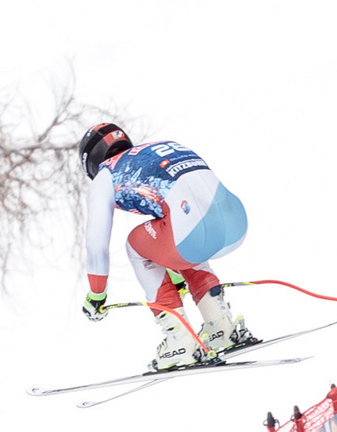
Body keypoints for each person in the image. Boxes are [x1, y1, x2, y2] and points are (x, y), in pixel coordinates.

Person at [78, 123, 257, 370]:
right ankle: (221, 326)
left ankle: (180, 341)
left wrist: (96, 295)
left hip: (191, 232)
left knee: (135, 246)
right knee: (182, 231)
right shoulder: (159, 148)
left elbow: (96, 246)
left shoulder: (106, 174)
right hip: (236, 222)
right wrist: (174, 269)